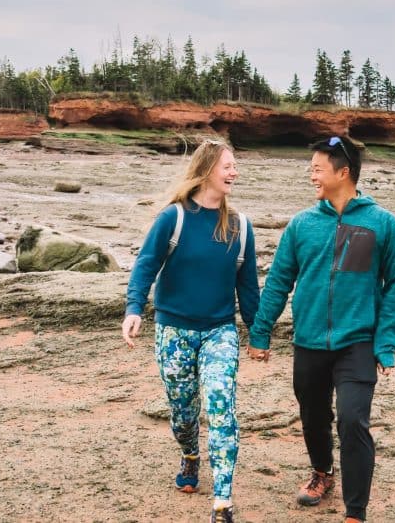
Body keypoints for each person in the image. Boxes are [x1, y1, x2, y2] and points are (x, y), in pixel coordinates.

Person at [247, 136, 395, 523]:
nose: (311, 175)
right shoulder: (302, 224)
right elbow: (279, 280)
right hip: (310, 341)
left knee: (353, 420)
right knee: (313, 416)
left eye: (318, 169)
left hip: (357, 342)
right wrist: (260, 332)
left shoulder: (381, 223)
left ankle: (356, 512)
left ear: (343, 172)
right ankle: (322, 472)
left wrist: (385, 344)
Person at [122, 139, 260, 523]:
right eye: (227, 166)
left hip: (220, 331)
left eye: (235, 166)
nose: (234, 172)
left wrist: (258, 333)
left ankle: (222, 501)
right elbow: (146, 265)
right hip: (174, 331)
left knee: (221, 408)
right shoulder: (174, 218)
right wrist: (134, 309)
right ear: (206, 170)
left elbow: (248, 289)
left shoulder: (241, 227)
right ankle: (189, 454)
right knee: (183, 413)